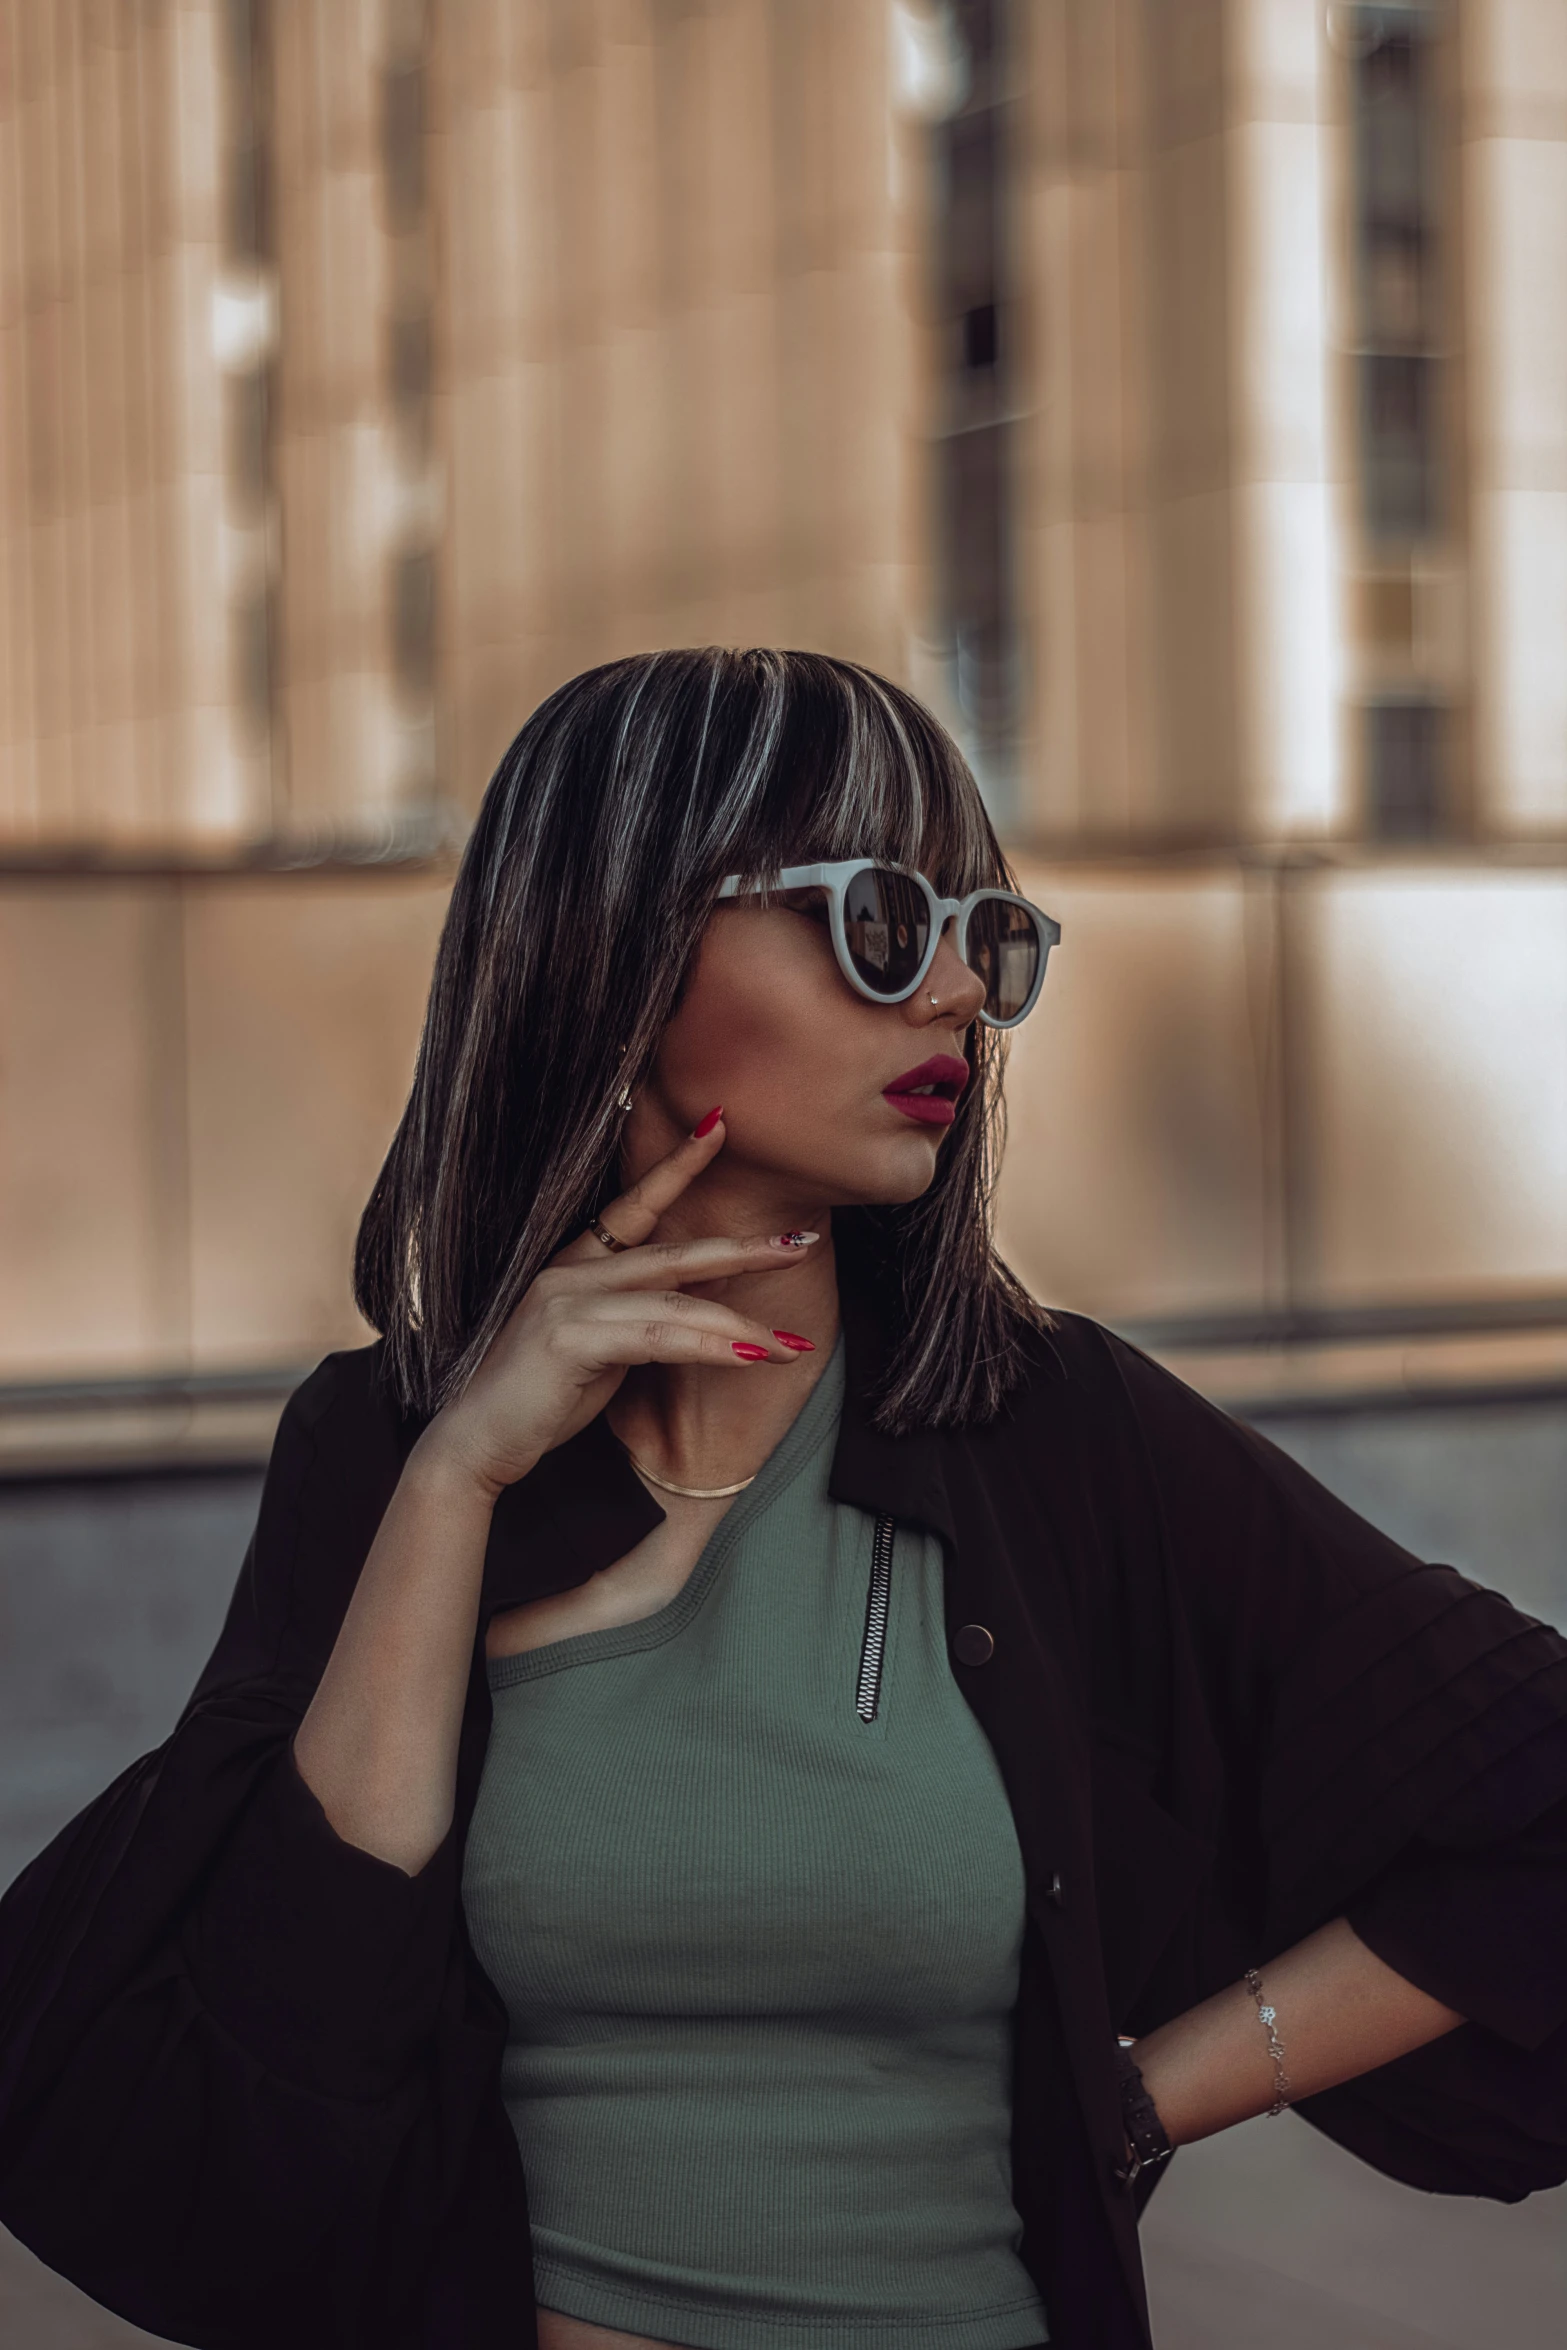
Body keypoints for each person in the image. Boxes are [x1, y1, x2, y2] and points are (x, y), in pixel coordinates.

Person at [1, 647, 1564, 2350]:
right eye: (880, 917)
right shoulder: (384, 1452)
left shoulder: (1060, 1436)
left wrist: (1129, 2095)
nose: (957, 990)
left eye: (985, 934)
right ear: (621, 939)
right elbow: (288, 2078)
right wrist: (456, 1478)